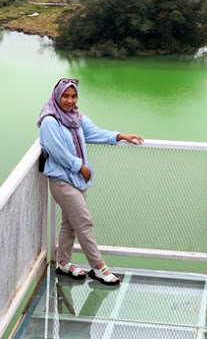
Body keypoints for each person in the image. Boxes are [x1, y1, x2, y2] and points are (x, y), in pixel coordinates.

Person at [38, 78, 143, 286]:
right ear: (56, 96)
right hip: (62, 182)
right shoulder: (50, 121)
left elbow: (94, 132)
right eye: (65, 96)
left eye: (73, 96)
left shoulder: (74, 117)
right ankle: (99, 267)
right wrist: (80, 166)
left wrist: (121, 136)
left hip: (78, 181)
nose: (69, 100)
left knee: (70, 224)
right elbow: (56, 152)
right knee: (84, 222)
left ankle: (63, 263)